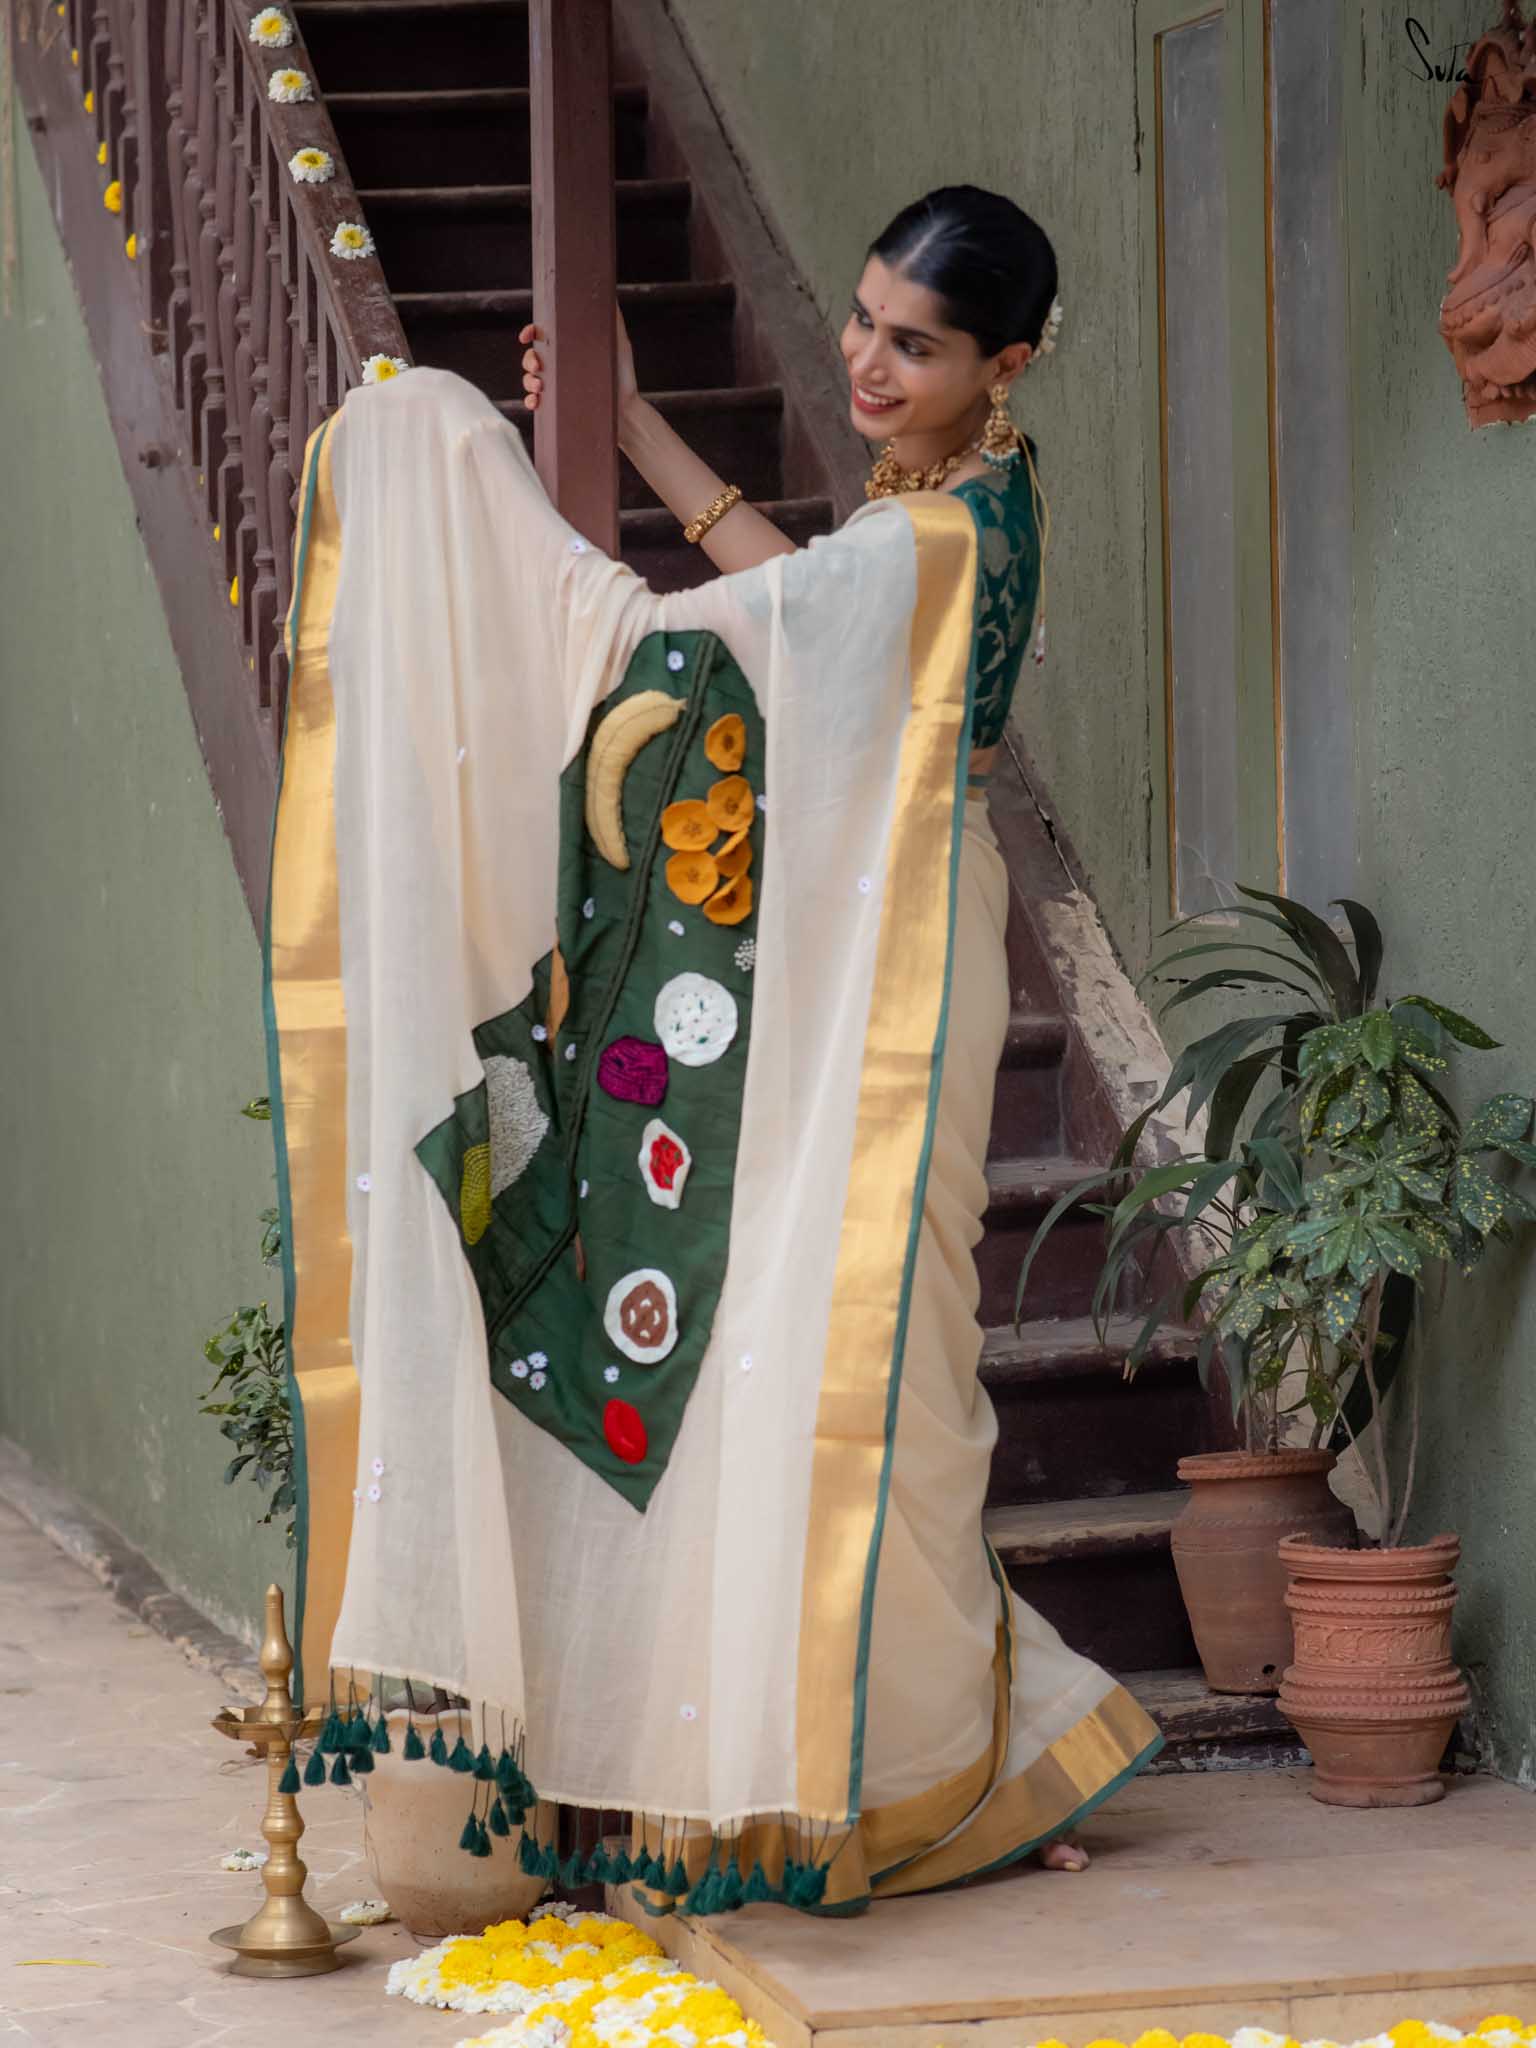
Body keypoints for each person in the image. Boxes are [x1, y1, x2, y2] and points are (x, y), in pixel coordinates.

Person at [269, 186, 1160, 1919]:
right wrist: (632, 426)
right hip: (855, 918)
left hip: (901, 957)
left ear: (1009, 364)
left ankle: (914, 1775)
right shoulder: (942, 496)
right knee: (807, 1344)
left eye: (915, 345)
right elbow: (793, 599)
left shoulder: (955, 530)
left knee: (881, 1365)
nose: (868, 363)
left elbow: (721, 643)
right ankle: (918, 1738)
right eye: (862, 319)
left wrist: (499, 521)